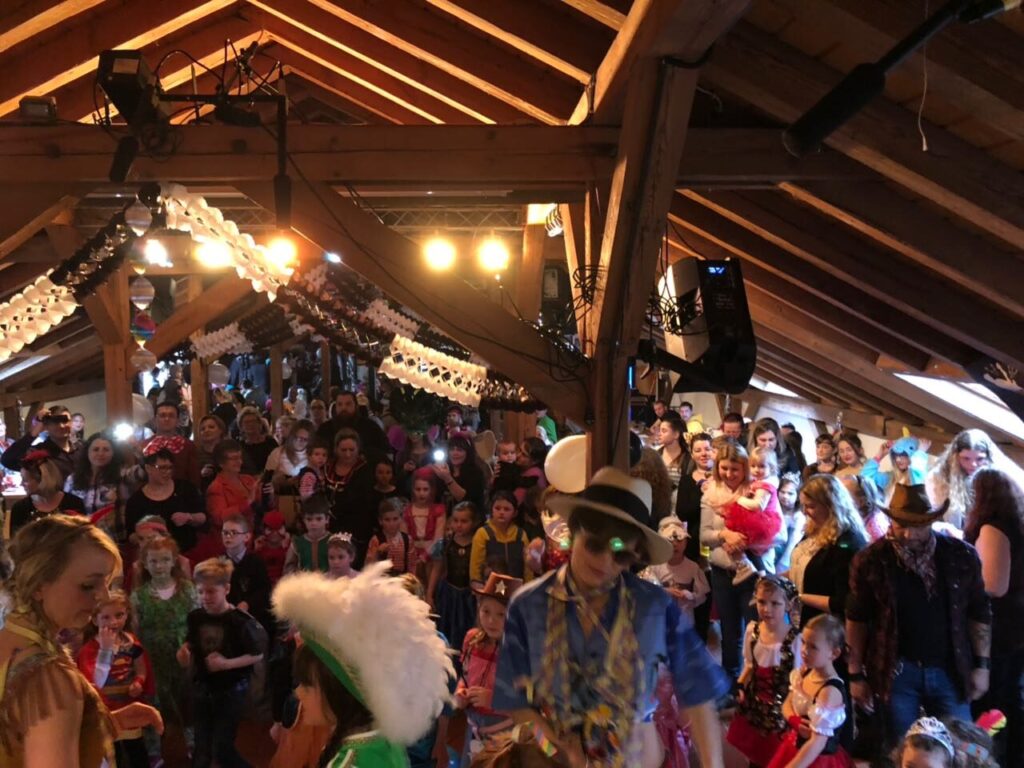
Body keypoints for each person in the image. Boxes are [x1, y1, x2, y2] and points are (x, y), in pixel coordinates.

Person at [494, 467, 729, 768]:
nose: (605, 561)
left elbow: (698, 691)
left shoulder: (654, 607)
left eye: (620, 554)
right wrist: (557, 750)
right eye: (594, 544)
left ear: (635, 554)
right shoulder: (529, 605)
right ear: (573, 530)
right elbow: (515, 702)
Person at [0, 516, 163, 767]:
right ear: (38, 584)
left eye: (106, 583)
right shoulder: (49, 679)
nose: (103, 597)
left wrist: (106, 724)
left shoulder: (10, 639)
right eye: (88, 586)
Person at [846, 484, 992, 749]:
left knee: (961, 749)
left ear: (931, 522)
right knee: (901, 750)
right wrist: (855, 674)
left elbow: (979, 611)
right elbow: (857, 619)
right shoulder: (871, 560)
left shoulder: (960, 555)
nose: (908, 533)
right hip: (896, 670)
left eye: (917, 526)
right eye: (901, 525)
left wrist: (982, 665)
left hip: (950, 667)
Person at [271, 564, 454, 767]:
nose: (298, 693)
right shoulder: (381, 738)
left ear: (338, 691)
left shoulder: (351, 763)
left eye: (307, 685)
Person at [177, 557, 263, 768]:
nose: (205, 597)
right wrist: (185, 653)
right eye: (200, 592)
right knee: (201, 747)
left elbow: (257, 654)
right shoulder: (195, 617)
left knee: (222, 748)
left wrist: (227, 664)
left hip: (231, 690)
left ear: (227, 589)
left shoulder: (240, 621)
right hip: (203, 687)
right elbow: (192, 643)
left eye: (211, 592)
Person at [964, 468, 1024, 767]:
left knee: (995, 707)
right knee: (1009, 701)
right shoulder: (1016, 524)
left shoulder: (992, 528)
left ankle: (996, 759)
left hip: (1000, 631)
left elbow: (993, 586)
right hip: (1014, 628)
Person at [130, 536, 198, 756]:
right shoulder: (139, 596)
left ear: (174, 561)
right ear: (145, 563)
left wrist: (189, 647)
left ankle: (192, 744)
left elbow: (197, 622)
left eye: (165, 560)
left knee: (186, 699)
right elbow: (135, 631)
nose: (159, 566)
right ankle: (154, 751)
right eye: (154, 561)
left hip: (182, 654)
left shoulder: (187, 590)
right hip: (153, 658)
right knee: (154, 701)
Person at [727, 576, 802, 768]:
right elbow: (749, 665)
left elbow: (797, 682)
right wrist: (740, 685)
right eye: (762, 602)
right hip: (755, 704)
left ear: (788, 605)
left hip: (782, 710)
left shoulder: (795, 640)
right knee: (756, 751)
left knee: (778, 756)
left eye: (775, 603)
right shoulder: (753, 631)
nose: (767, 609)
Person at [76, 590, 155, 768]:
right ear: (95, 620)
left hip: (128, 705)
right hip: (106, 711)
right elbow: (94, 682)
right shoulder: (90, 649)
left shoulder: (130, 642)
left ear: (127, 614)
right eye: (106, 617)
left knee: (137, 752)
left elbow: (141, 668)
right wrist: (105, 649)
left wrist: (139, 682)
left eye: (119, 615)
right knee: (113, 753)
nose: (114, 622)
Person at [701, 440, 757, 681]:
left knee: (754, 629)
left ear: (745, 468)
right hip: (722, 572)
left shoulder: (756, 492)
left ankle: (755, 680)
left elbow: (774, 532)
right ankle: (730, 679)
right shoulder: (711, 494)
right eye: (724, 468)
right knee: (729, 630)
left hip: (752, 571)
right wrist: (724, 535)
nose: (729, 474)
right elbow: (704, 535)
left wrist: (744, 540)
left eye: (735, 469)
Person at [767, 614, 853, 768]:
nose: (804, 651)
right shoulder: (804, 672)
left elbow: (817, 743)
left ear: (834, 653)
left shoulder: (830, 692)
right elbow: (787, 703)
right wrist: (794, 720)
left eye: (813, 647)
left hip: (816, 760)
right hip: (795, 748)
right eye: (804, 643)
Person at [455, 573, 521, 762]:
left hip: (505, 735)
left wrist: (494, 699)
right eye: (486, 612)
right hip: (474, 730)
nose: (491, 621)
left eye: (501, 614)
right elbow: (465, 676)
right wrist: (460, 692)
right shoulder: (472, 640)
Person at [789, 474, 868, 627]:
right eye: (803, 505)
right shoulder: (814, 528)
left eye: (811, 506)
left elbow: (843, 602)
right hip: (804, 620)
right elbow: (803, 566)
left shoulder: (848, 542)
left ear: (831, 505)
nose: (805, 511)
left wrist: (799, 598)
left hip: (827, 627)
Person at [927, 428, 1024, 530]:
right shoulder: (940, 477)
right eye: (966, 458)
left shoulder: (1002, 477)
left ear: (989, 457)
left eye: (980, 459)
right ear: (955, 456)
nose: (973, 464)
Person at [124, 448, 206, 559]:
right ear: (148, 468)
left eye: (170, 467)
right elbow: (131, 535)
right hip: (155, 558)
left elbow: (203, 517)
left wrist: (189, 517)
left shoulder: (185, 488)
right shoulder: (136, 500)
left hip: (187, 552)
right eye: (162, 468)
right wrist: (144, 535)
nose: (167, 472)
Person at [726, 445, 783, 584]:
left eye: (762, 466)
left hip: (762, 521)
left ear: (772, 468)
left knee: (746, 545)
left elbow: (758, 505)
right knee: (743, 546)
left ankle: (760, 576)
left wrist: (739, 499)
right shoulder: (757, 483)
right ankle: (751, 570)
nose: (757, 470)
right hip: (756, 519)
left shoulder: (765, 486)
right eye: (753, 466)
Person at [65, 432, 134, 544]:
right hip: (81, 540)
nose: (100, 453)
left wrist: (135, 450)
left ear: (113, 453)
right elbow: (66, 509)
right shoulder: (72, 480)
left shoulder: (122, 475)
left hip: (114, 539)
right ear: (87, 452)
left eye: (106, 450)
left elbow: (140, 473)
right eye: (96, 449)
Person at [427, 500, 477, 652]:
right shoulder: (445, 544)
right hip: (448, 594)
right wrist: (429, 594)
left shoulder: (478, 543)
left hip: (469, 596)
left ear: (474, 522)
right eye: (455, 520)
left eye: (464, 521)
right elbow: (437, 569)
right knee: (447, 628)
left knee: (466, 629)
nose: (459, 525)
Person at [643, 516, 709, 621]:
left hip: (685, 620)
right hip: (662, 619)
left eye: (679, 540)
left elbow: (702, 595)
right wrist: (664, 591)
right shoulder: (655, 566)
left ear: (686, 542)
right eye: (669, 541)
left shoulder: (693, 567)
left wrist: (690, 596)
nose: (675, 544)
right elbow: (646, 590)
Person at [322, 429, 375, 561]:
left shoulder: (364, 469)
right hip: (327, 524)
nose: (348, 454)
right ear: (336, 449)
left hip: (355, 527)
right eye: (343, 450)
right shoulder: (327, 466)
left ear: (358, 449)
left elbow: (363, 501)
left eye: (352, 450)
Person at [7, 449, 86, 537]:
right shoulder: (20, 508)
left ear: (41, 479)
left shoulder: (74, 503)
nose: (21, 484)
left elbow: (83, 538)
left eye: (25, 480)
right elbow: (15, 543)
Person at [205, 438, 268, 541]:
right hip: (231, 540)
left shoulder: (248, 479)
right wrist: (247, 502)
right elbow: (219, 519)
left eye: (240, 457)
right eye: (234, 458)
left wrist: (268, 494)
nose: (240, 462)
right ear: (221, 463)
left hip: (253, 534)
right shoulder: (216, 487)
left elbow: (262, 506)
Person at [222, 514, 273, 638]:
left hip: (254, 617)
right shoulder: (218, 563)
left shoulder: (256, 562)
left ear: (246, 537)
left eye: (234, 533)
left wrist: (248, 603)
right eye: (225, 532)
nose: (228, 536)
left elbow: (264, 590)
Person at [1, 404, 83, 480]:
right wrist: (33, 433)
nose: (61, 425)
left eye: (64, 420)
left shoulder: (81, 449)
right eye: (55, 422)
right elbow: (7, 460)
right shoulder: (39, 454)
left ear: (71, 423)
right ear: (46, 426)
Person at [469, 490, 532, 586]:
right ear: (492, 510)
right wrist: (477, 585)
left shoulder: (520, 535)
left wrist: (528, 587)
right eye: (497, 508)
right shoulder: (482, 534)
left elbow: (528, 566)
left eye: (507, 509)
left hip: (516, 587)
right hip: (489, 587)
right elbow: (476, 566)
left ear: (515, 513)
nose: (501, 512)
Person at [315, 390, 389, 464]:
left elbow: (384, 450)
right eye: (340, 404)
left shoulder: (371, 427)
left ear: (356, 406)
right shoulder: (325, 429)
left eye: (348, 404)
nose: (344, 408)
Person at [143, 402, 200, 485]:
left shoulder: (188, 445)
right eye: (162, 415)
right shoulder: (145, 445)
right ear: (155, 420)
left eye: (171, 416)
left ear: (177, 420)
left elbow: (194, 477)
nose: (167, 419)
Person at [862, 436, 932, 502]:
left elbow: (917, 481)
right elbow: (864, 480)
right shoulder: (890, 478)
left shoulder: (921, 478)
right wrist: (879, 456)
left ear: (913, 455)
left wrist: (920, 454)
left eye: (903, 455)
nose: (897, 459)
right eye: (895, 455)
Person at [404, 467, 446, 575]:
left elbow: (438, 539)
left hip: (432, 554)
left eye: (425, 489)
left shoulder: (439, 510)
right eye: (418, 489)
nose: (421, 493)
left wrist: (424, 556)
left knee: (436, 560)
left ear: (431, 490)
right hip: (411, 554)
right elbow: (405, 539)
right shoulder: (406, 511)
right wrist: (413, 557)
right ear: (412, 489)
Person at [433, 433, 487, 514]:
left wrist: (447, 478)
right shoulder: (443, 469)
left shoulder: (476, 473)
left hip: (470, 516)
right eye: (452, 449)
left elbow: (465, 501)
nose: (455, 453)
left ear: (467, 453)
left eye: (459, 450)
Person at [284, 494, 333, 574]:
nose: (314, 523)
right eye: (309, 519)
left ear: (327, 519)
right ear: (304, 520)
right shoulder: (297, 543)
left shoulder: (334, 541)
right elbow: (288, 568)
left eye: (318, 519)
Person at [367, 497, 415, 576]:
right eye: (387, 520)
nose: (391, 524)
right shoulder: (376, 540)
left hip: (401, 579)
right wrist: (377, 553)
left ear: (401, 518)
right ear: (380, 521)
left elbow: (412, 566)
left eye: (395, 519)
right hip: (382, 579)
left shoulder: (407, 540)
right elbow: (368, 567)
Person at [839, 474, 889, 542]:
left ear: (863, 500)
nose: (836, 500)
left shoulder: (875, 530)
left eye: (843, 496)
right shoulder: (854, 519)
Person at [267, 419, 312, 493]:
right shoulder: (278, 453)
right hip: (283, 496)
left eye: (305, 439)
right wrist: (280, 481)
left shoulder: (312, 455)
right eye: (298, 437)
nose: (300, 441)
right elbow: (267, 478)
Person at [236, 406, 278, 477]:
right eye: (247, 422)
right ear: (241, 426)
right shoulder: (239, 446)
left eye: (253, 421)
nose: (250, 424)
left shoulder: (270, 442)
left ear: (260, 423)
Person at [658, 414, 689, 510]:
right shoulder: (657, 455)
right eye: (660, 430)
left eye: (664, 431)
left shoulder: (687, 459)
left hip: (679, 507)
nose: (659, 434)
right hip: (659, 507)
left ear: (676, 434)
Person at [775, 473, 805, 571]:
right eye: (782, 492)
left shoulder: (798, 517)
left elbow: (793, 543)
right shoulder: (774, 509)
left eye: (790, 493)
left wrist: (783, 566)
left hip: (785, 560)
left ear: (798, 496)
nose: (785, 496)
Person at [255, 509, 290, 585]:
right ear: (263, 529)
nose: (275, 533)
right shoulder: (258, 548)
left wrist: (288, 550)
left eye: (279, 529)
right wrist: (255, 551)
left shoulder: (291, 547)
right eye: (270, 529)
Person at [195, 414, 227, 492]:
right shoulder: (195, 453)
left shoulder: (230, 449)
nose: (206, 430)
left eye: (211, 427)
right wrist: (201, 474)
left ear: (220, 430)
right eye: (202, 429)